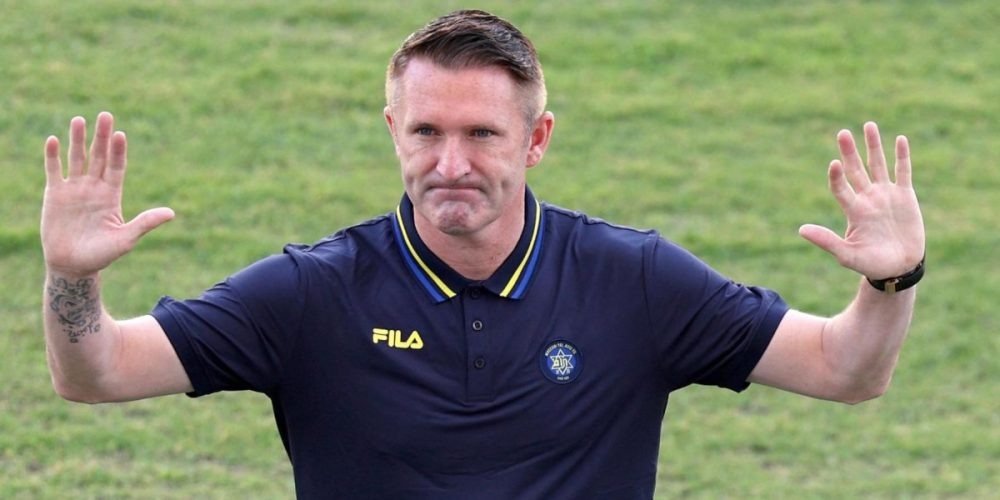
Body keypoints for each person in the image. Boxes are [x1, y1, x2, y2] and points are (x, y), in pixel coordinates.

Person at [40, 9, 925, 499]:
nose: (451, 164)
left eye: (482, 134)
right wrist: (73, 277)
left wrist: (891, 280)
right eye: (426, 131)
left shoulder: (635, 280)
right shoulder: (311, 293)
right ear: (393, 129)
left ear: (536, 139)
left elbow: (845, 370)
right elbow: (98, 374)